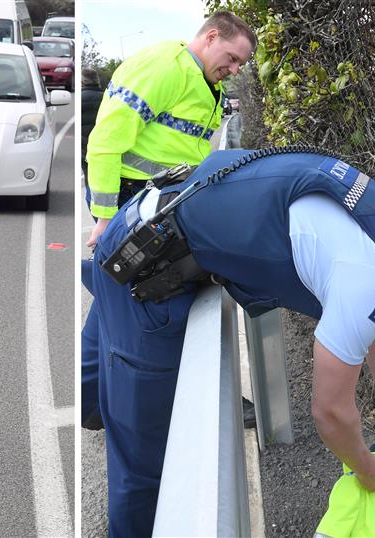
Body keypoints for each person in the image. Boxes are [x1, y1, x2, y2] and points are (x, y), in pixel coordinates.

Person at [81, 148, 375, 537]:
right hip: (143, 276)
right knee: (146, 459)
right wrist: (366, 468)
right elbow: (330, 412)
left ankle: (97, 401)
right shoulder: (362, 274)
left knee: (100, 386)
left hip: (146, 223)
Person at [81, 11, 255, 430]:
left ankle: (90, 401)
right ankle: (205, 395)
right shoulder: (162, 67)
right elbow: (105, 141)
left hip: (157, 204)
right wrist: (105, 220)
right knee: (161, 301)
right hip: (132, 203)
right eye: (231, 58)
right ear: (211, 36)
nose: (232, 71)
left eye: (239, 67)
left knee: (116, 302)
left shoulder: (200, 80)